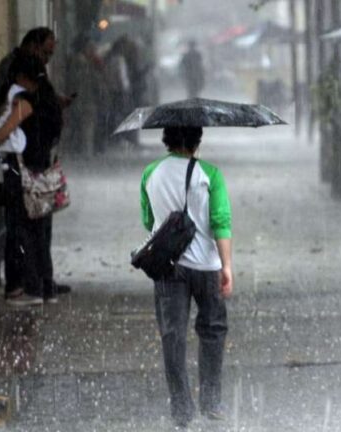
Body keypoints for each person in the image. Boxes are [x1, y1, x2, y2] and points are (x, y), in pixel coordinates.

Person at [140, 126, 233, 428]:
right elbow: (221, 221)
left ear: (166, 139)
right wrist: (227, 266)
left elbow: (148, 220)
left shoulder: (150, 173)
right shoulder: (210, 174)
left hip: (167, 266)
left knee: (173, 336)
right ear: (197, 140)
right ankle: (211, 400)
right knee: (213, 329)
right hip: (207, 266)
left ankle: (181, 409)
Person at [0, 27, 72, 298]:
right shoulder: (16, 85)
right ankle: (20, 283)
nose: (47, 59)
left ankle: (38, 281)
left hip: (33, 165)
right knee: (22, 227)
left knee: (33, 225)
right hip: (20, 167)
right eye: (45, 52)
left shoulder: (27, 87)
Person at [0, 54, 60, 306]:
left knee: (21, 229)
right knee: (39, 231)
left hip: (21, 173)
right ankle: (45, 285)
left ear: (21, 77)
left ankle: (26, 287)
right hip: (40, 170)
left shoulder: (23, 103)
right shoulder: (46, 100)